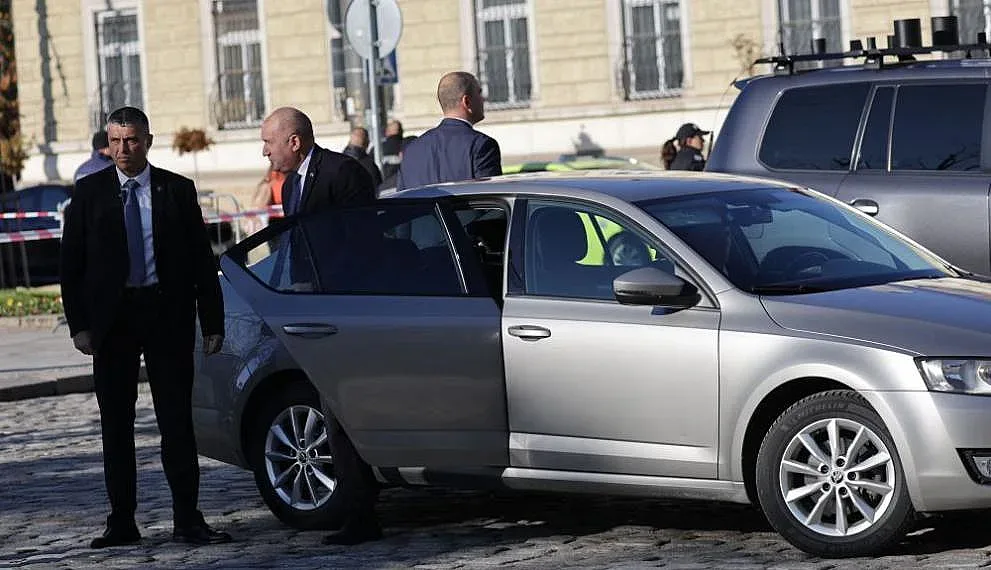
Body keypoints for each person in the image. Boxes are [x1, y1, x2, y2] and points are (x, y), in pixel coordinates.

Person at [59, 106, 231, 548]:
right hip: (113, 323)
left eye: (131, 140)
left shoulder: (176, 190)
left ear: (148, 141)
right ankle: (122, 521)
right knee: (116, 424)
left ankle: (187, 518)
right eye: (115, 141)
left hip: (165, 316)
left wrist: (212, 321)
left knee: (176, 422)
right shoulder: (90, 192)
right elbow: (71, 264)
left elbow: (200, 259)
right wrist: (80, 325)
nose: (122, 150)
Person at [396, 71, 502, 191]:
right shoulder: (482, 146)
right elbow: (492, 201)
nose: (484, 99)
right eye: (479, 93)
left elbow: (402, 201)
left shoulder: (411, 151)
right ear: (466, 102)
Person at [260, 107, 375, 216]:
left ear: (295, 143)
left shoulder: (343, 172)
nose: (265, 152)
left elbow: (360, 229)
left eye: (268, 142)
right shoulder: (289, 185)